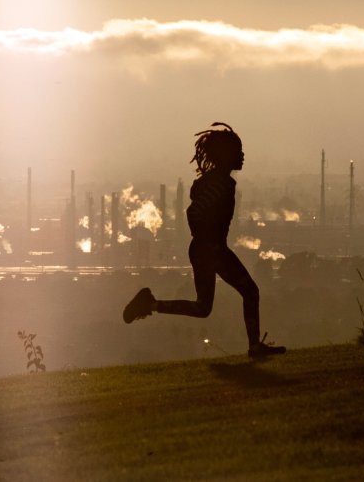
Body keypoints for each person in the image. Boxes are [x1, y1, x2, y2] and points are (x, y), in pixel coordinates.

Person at [121, 122, 285, 359]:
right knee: (250, 291)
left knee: (203, 307)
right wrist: (207, 238)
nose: (242, 156)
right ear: (226, 155)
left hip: (206, 249)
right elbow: (194, 212)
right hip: (211, 249)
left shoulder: (219, 181)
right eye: (238, 151)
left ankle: (150, 304)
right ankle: (254, 347)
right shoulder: (220, 184)